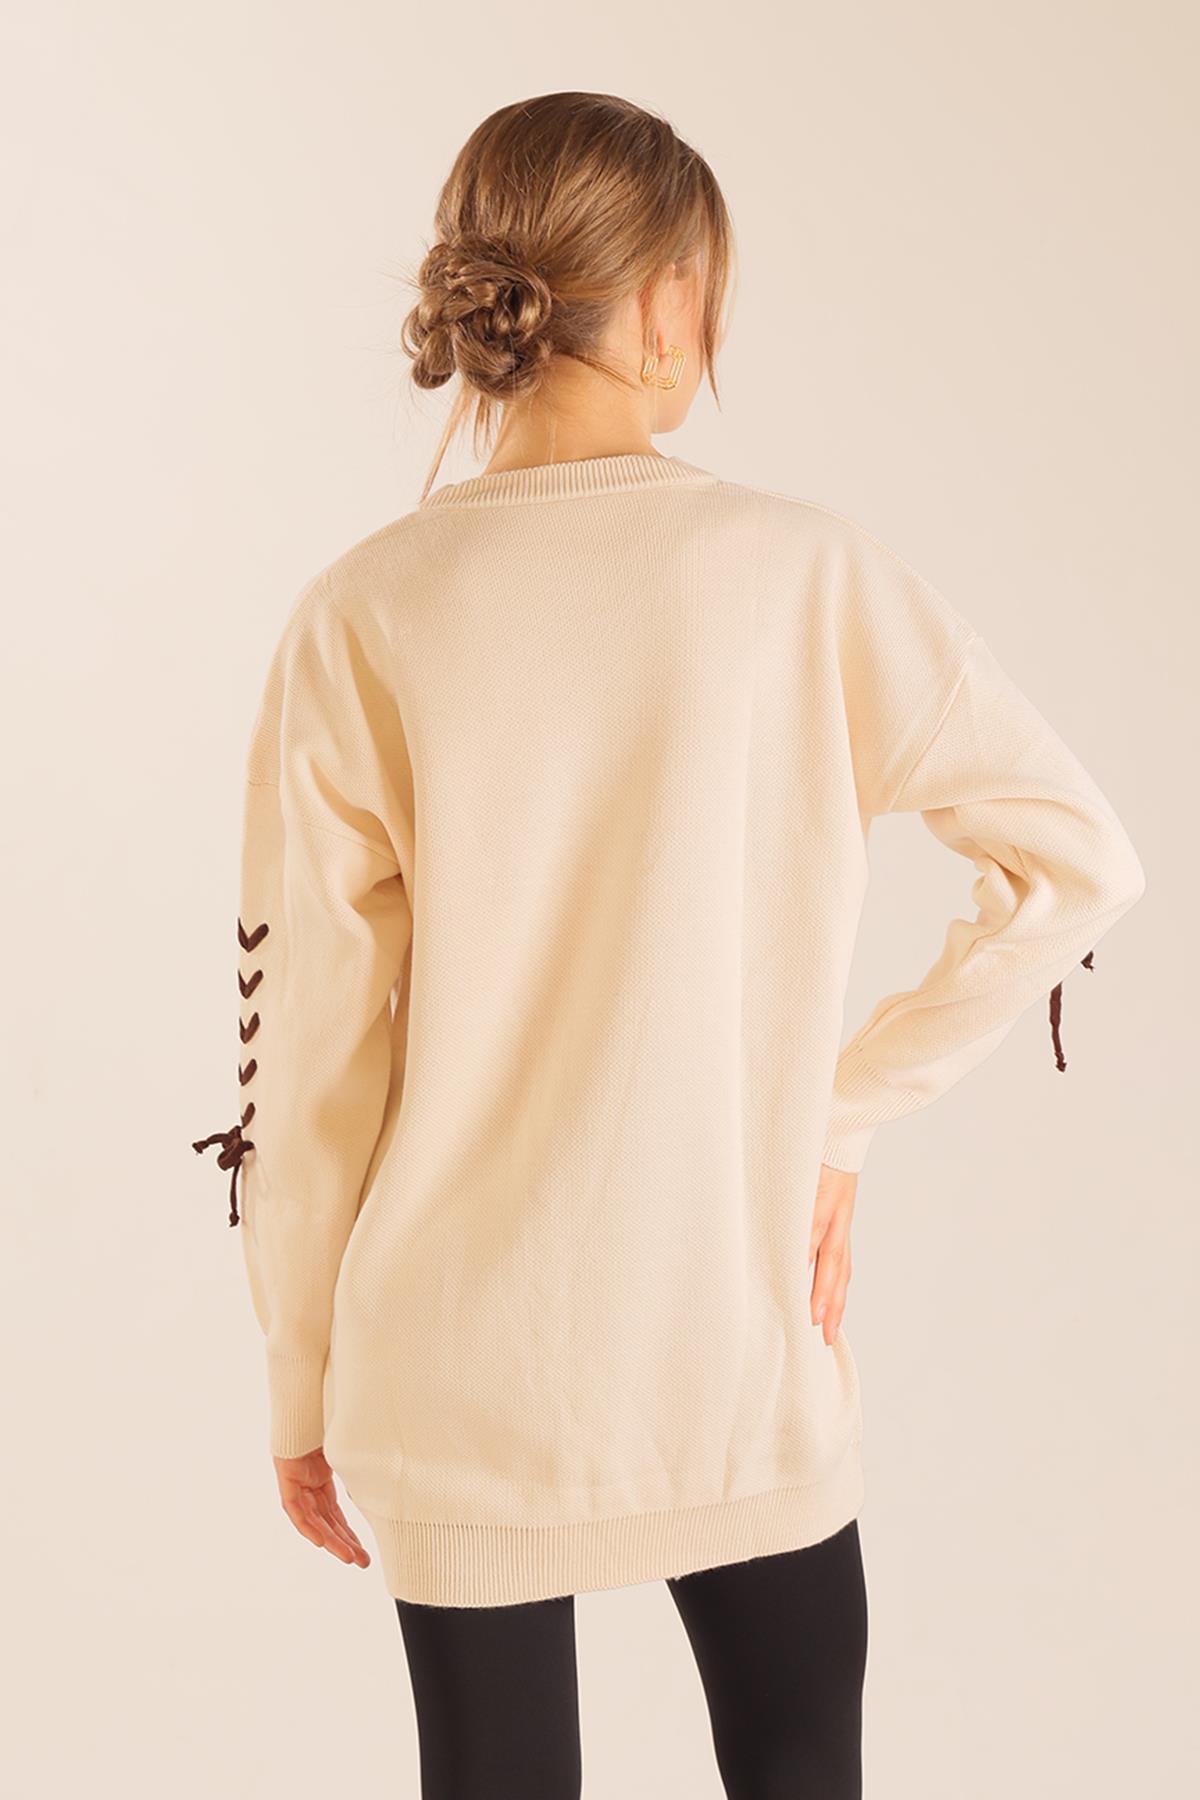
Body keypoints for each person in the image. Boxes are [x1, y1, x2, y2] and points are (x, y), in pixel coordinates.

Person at [191, 91, 1146, 1799]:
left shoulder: (364, 613)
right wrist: (840, 1115)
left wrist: (298, 1380)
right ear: (669, 306)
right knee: (800, 1764)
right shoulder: (808, 575)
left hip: (449, 1369)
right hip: (735, 1341)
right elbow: (1079, 860)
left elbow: (311, 1051)